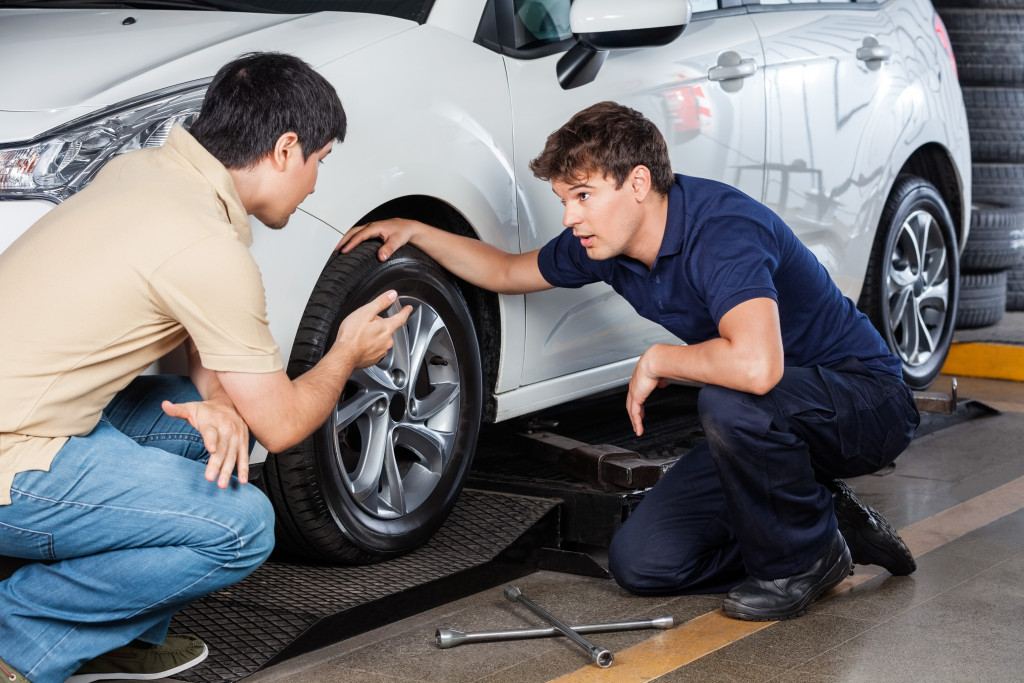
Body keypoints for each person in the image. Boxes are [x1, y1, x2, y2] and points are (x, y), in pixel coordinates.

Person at [337, 101, 919, 622]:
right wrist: (419, 230)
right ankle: (823, 527)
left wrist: (661, 358)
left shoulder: (722, 232)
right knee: (643, 564)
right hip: (775, 421)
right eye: (565, 200)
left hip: (865, 402)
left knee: (729, 400)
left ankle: (799, 561)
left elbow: (757, 368)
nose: (570, 217)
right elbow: (507, 271)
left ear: (638, 182)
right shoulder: (606, 244)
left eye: (583, 196)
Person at [0, 52, 410, 683]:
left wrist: (218, 405)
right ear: (284, 148)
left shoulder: (147, 171)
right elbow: (281, 426)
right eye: (319, 163)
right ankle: (20, 641)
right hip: (14, 458)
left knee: (213, 434)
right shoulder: (206, 247)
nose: (315, 186)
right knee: (242, 528)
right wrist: (346, 355)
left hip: (29, 418)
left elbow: (198, 324)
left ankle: (111, 637)